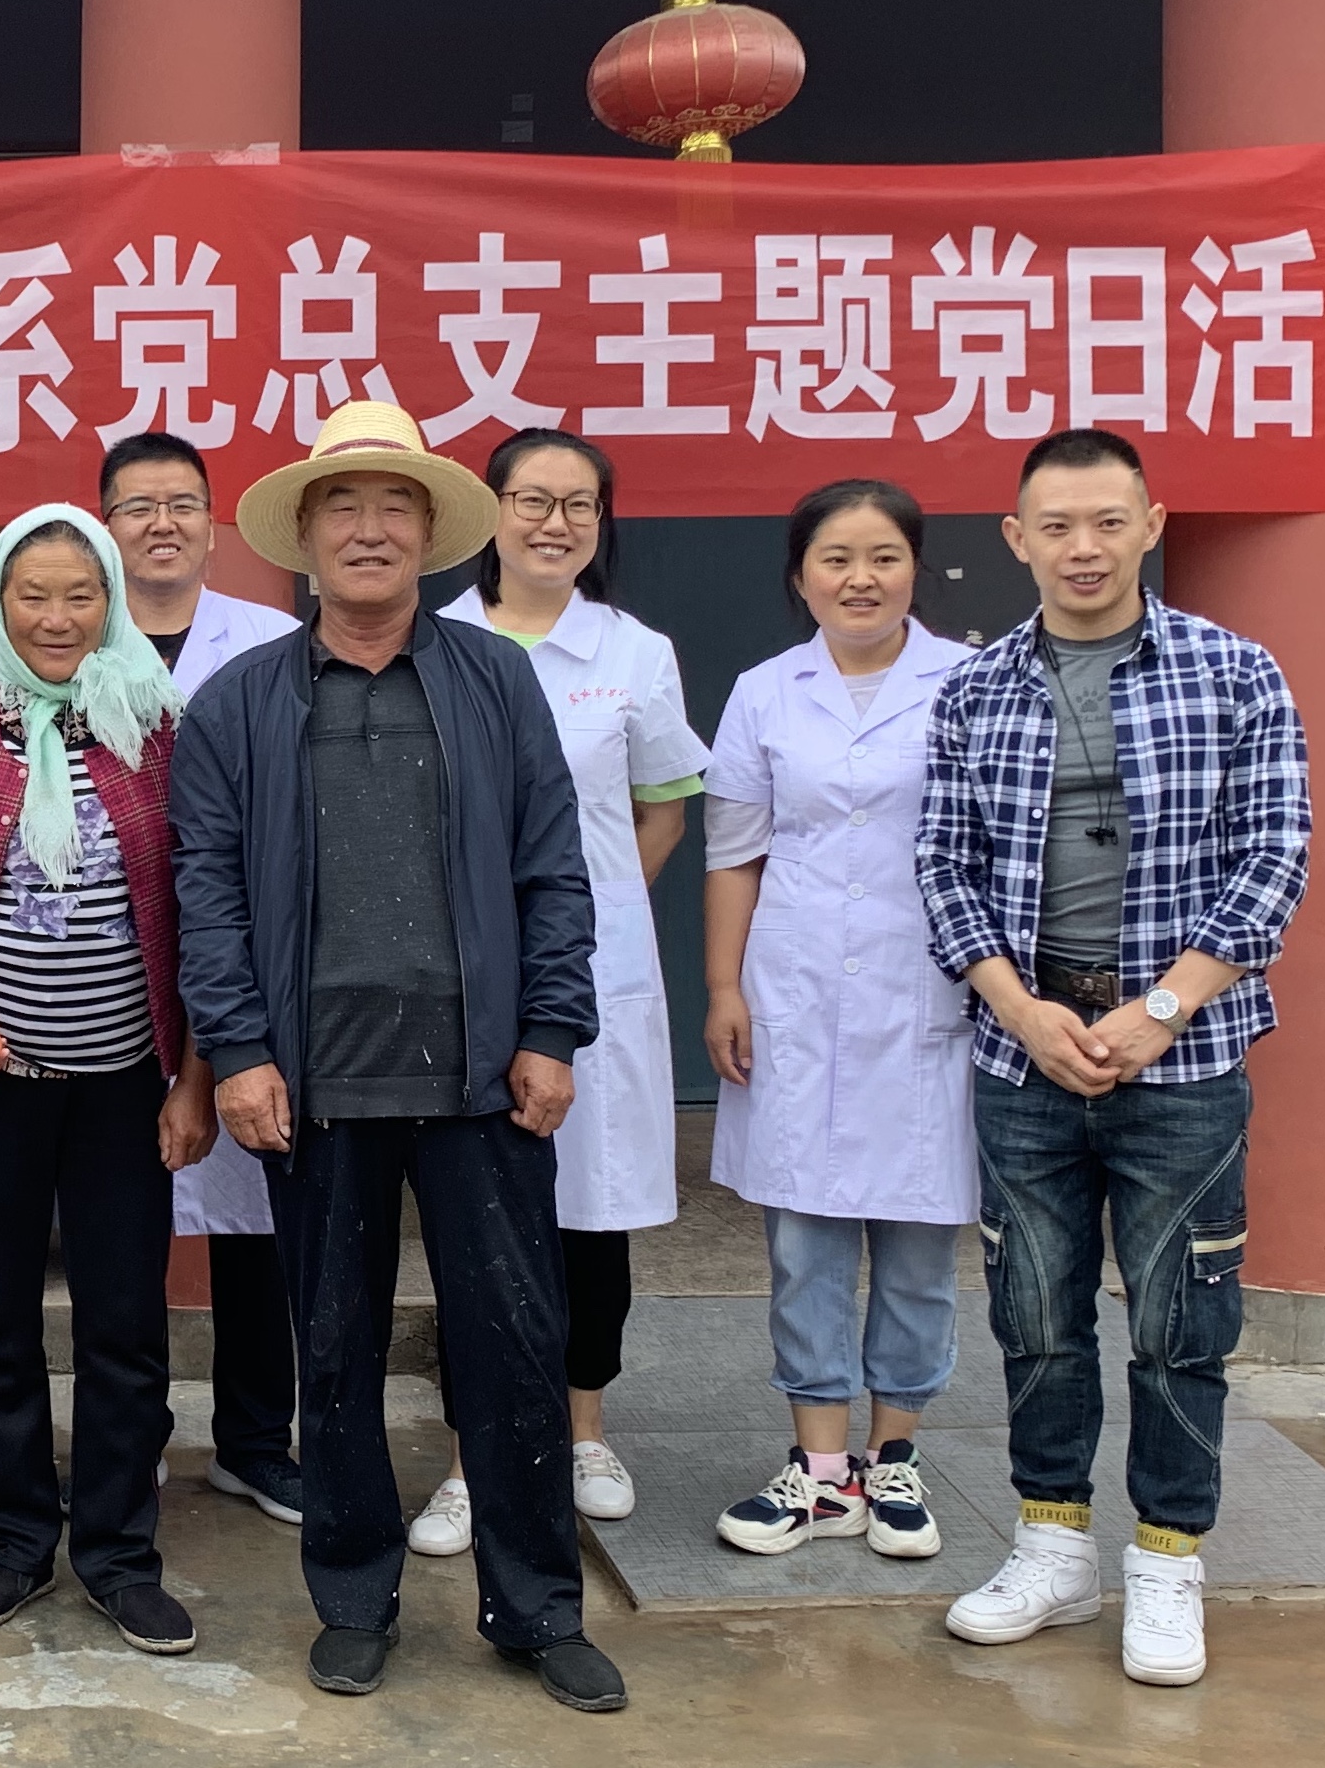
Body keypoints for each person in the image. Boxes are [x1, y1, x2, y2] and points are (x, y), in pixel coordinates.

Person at [169, 400, 624, 1712]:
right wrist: (238, 1050)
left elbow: (552, 867)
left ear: (427, 532)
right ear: (305, 534)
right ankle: (354, 1594)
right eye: (342, 507)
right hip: (310, 1085)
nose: (368, 529)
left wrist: (549, 1028)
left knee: (514, 1346)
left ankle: (535, 1604)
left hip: (483, 1080)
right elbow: (207, 893)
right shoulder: (239, 701)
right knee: (334, 1350)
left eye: (393, 507)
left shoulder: (494, 679)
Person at [918, 428, 1311, 1689]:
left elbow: (1274, 855)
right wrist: (1023, 1011)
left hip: (1181, 1059)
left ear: (1150, 524)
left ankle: (1166, 1559)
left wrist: (1163, 1007)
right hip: (1024, 1052)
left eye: (1105, 521)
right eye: (1055, 525)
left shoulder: (1233, 670)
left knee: (1181, 1318)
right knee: (1034, 1315)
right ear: (1015, 539)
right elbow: (943, 865)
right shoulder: (974, 689)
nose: (1081, 547)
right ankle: (1050, 1545)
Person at [0, 505, 214, 1653]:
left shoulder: (159, 723)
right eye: (32, 593)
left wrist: (194, 1075)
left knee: (125, 1326)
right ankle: (16, 1536)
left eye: (82, 593)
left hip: (126, 1080)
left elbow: (204, 900)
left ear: (112, 600)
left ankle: (119, 1551)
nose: (57, 615)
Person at [419, 428, 705, 1549]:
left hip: (593, 978)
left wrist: (590, 911)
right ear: (490, 511)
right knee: (471, 1221)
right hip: (454, 975)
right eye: (533, 499)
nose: (555, 522)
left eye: (579, 503)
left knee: (591, 1215)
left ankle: (585, 1430)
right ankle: (467, 1456)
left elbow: (664, 801)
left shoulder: (635, 651)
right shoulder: (435, 642)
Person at [699, 479, 973, 1560]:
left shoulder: (970, 680)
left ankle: (893, 1458)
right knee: (804, 1242)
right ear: (800, 575)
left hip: (929, 993)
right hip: (797, 992)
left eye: (882, 557)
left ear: (915, 567)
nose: (860, 579)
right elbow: (734, 853)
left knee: (917, 1247)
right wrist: (725, 987)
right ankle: (820, 1472)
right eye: (836, 559)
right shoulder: (765, 692)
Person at [99, 429, 304, 1526]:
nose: (162, 523)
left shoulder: (273, 642)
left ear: (214, 523)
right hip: (111, 969)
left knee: (255, 1214)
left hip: (249, 957)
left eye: (182, 502)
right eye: (137, 505)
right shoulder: (68, 640)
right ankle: (128, 1438)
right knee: (125, 1215)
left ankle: (256, 1439)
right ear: (106, 527)